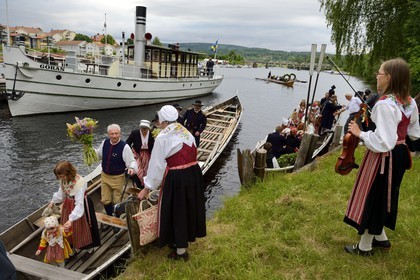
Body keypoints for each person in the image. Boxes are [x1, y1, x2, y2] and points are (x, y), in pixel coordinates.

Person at [344, 58, 420, 256]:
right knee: (387, 195)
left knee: (374, 196)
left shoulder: (385, 104)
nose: (376, 76)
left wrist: (359, 133)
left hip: (385, 157)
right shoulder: (409, 101)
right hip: (400, 154)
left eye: (379, 73)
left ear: (389, 78)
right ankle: (381, 238)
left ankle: (365, 246)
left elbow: (383, 142)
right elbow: (414, 133)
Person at [138, 105, 206, 261]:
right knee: (187, 208)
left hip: (177, 177)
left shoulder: (163, 137)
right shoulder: (185, 131)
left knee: (177, 210)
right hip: (193, 173)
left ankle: (181, 252)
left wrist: (147, 188)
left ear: (162, 120)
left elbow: (156, 166)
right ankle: (178, 241)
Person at [49, 161, 100, 250]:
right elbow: (61, 195)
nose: (61, 179)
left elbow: (79, 204)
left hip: (81, 205)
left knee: (82, 227)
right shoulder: (63, 180)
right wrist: (53, 201)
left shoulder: (80, 182)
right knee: (67, 228)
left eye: (62, 176)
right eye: (59, 177)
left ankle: (89, 249)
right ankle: (71, 248)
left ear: (69, 173)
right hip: (68, 205)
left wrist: (71, 219)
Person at [95, 124, 137, 217]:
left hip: (118, 177)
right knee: (105, 200)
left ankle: (116, 217)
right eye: (112, 134)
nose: (114, 136)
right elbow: (98, 155)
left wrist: (131, 168)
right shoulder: (104, 142)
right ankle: (110, 216)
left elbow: (131, 162)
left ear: (120, 134)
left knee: (116, 200)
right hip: (105, 176)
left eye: (116, 133)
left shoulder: (124, 147)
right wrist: (89, 150)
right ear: (108, 134)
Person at [126, 120, 155, 189]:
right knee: (138, 168)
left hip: (148, 153)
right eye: (142, 129)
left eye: (145, 129)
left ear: (148, 129)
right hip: (137, 153)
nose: (144, 131)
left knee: (147, 169)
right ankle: (139, 184)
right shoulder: (135, 133)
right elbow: (127, 143)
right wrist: (131, 153)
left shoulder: (152, 134)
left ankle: (145, 185)